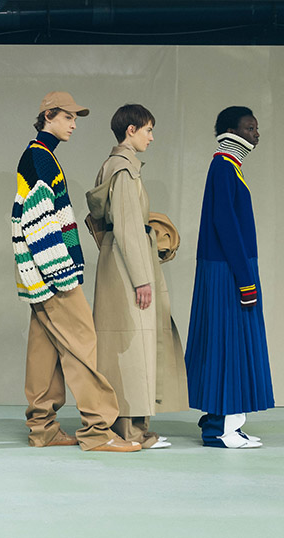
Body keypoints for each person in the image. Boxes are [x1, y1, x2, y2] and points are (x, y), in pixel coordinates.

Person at [11, 91, 140, 452]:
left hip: (40, 276)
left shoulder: (40, 155)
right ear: (48, 116)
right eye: (68, 117)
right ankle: (98, 431)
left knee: (43, 350)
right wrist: (60, 274)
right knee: (83, 346)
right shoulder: (40, 158)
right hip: (54, 274)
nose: (73, 125)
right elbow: (37, 221)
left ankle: (43, 429)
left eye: (75, 119)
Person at [86, 104, 188, 449]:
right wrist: (142, 278)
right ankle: (131, 432)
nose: (151, 137)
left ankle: (135, 428)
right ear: (131, 130)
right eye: (148, 130)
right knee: (132, 348)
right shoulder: (125, 169)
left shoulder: (112, 166)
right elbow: (129, 226)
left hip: (116, 261)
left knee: (125, 346)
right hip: (128, 267)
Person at [185, 106, 274, 448]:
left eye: (256, 128)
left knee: (226, 343)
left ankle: (224, 425)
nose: (256, 134)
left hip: (227, 267)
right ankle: (220, 430)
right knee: (227, 344)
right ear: (231, 131)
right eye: (250, 128)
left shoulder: (228, 166)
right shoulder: (223, 166)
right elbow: (225, 223)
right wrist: (245, 279)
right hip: (227, 270)